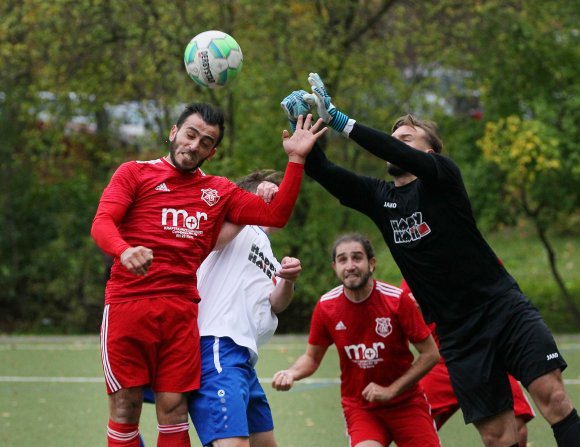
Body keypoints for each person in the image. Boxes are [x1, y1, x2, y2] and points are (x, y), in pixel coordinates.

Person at [278, 76, 580, 447]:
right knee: (499, 437)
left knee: (555, 399)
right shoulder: (380, 198)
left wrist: (343, 121)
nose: (395, 146)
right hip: (457, 333)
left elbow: (405, 156)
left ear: (430, 153)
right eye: (394, 139)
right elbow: (324, 172)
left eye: (405, 138)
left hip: (502, 308)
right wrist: (300, 131)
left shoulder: (443, 178)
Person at [91, 102, 326, 447]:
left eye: (205, 142)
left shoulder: (219, 192)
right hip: (129, 306)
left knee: (174, 411)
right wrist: (124, 250)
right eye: (190, 134)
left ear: (212, 152)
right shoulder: (134, 173)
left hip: (181, 314)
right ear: (174, 132)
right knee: (125, 408)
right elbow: (102, 223)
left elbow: (276, 215)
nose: (194, 145)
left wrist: (296, 160)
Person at [272, 233, 441, 447]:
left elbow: (431, 354)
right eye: (343, 259)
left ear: (371, 264)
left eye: (357, 258)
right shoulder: (326, 307)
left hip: (406, 404)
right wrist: (291, 372)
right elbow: (312, 358)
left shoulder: (397, 301)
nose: (350, 265)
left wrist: (391, 391)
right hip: (361, 407)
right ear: (335, 268)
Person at [188, 169, 301, 447]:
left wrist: (287, 279)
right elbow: (215, 214)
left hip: (245, 359)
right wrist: (251, 199)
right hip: (217, 344)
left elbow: (276, 304)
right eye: (275, 195)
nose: (281, 202)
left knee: (264, 443)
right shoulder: (233, 228)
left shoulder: (270, 256)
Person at [399, 280, 535, 447]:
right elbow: (405, 314)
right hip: (440, 360)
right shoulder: (416, 269)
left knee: (516, 424)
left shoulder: (476, 257)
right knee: (413, 428)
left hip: (481, 353)